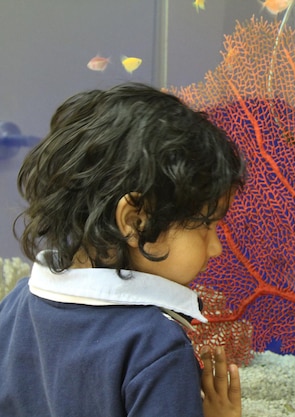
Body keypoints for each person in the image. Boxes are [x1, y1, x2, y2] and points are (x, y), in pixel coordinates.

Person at [0, 83, 246, 417]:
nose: (215, 247)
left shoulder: (14, 304)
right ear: (135, 220)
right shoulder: (156, 346)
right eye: (205, 224)